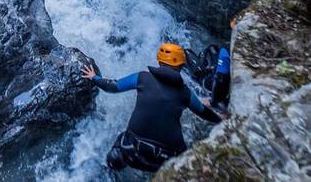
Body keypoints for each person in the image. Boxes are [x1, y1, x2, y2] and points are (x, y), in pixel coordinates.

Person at [81, 43, 222, 173]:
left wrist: (94, 77)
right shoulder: (185, 93)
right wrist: (221, 120)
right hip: (166, 162)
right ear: (180, 65)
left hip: (132, 153)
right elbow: (203, 113)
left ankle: (109, 169)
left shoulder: (143, 78)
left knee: (120, 141)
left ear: (159, 61)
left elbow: (112, 86)